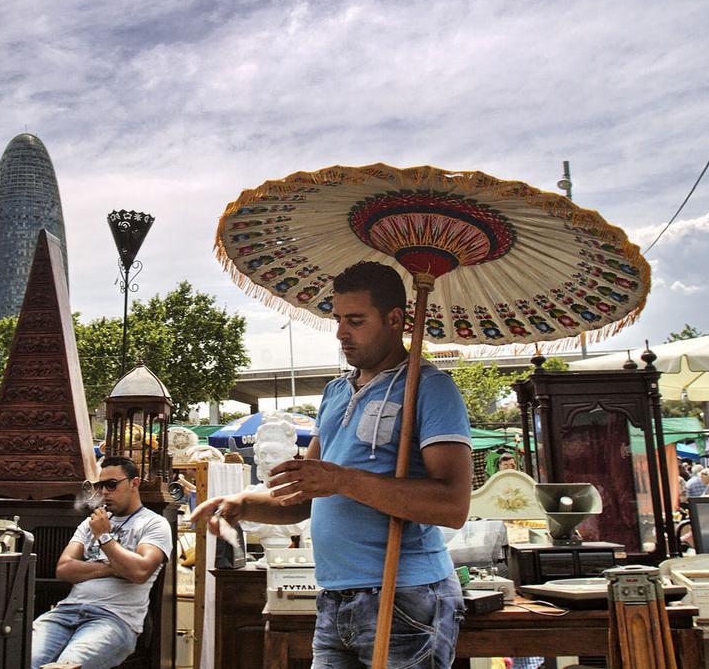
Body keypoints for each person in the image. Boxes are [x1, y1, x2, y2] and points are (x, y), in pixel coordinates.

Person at [191, 261, 472, 668]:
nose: (341, 332)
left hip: (404, 597)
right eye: (338, 319)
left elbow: (452, 505)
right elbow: (307, 497)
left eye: (355, 320)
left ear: (395, 319)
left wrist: (340, 478)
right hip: (333, 598)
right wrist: (243, 504)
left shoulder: (431, 388)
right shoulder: (335, 392)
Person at [31, 456, 173, 669]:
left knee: (66, 667)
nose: (105, 492)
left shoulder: (154, 524)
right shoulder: (92, 523)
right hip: (65, 612)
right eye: (100, 486)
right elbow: (64, 568)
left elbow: (139, 571)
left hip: (114, 619)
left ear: (134, 483)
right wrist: (112, 567)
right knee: (22, 659)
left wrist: (105, 539)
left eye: (112, 485)